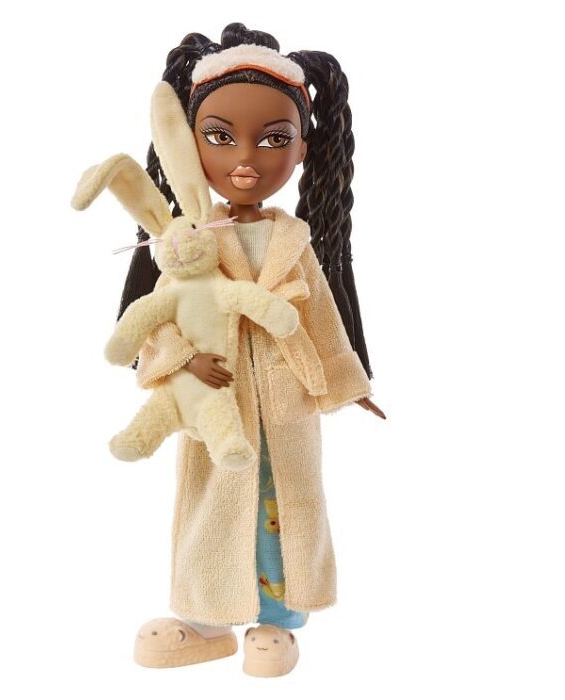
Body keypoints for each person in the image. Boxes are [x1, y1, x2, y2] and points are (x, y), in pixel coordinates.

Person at [118, 23, 386, 676]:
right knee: (209, 505)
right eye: (219, 136)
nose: (245, 158)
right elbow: (164, 314)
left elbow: (321, 318)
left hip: (287, 403)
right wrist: (182, 361)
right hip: (218, 400)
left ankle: (278, 622)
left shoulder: (295, 242)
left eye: (273, 139)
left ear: (303, 148)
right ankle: (205, 622)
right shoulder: (190, 239)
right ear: (188, 144)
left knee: (285, 508)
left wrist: (349, 384)